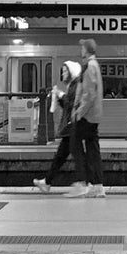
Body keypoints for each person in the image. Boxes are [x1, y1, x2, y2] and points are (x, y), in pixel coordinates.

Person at [34, 61, 83, 193]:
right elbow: (67, 106)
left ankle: (84, 182)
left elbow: (73, 103)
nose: (63, 73)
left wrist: (60, 95)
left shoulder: (76, 84)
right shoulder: (72, 85)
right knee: (61, 157)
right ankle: (47, 182)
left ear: (72, 71)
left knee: (76, 155)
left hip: (73, 125)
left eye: (65, 71)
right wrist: (60, 98)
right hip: (70, 126)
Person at [68, 38, 106, 198]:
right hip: (94, 115)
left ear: (87, 50)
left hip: (87, 115)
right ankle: (97, 186)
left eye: (82, 47)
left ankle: (82, 181)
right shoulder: (94, 65)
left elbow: (89, 94)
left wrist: (79, 112)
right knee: (92, 150)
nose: (81, 50)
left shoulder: (90, 67)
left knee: (74, 143)